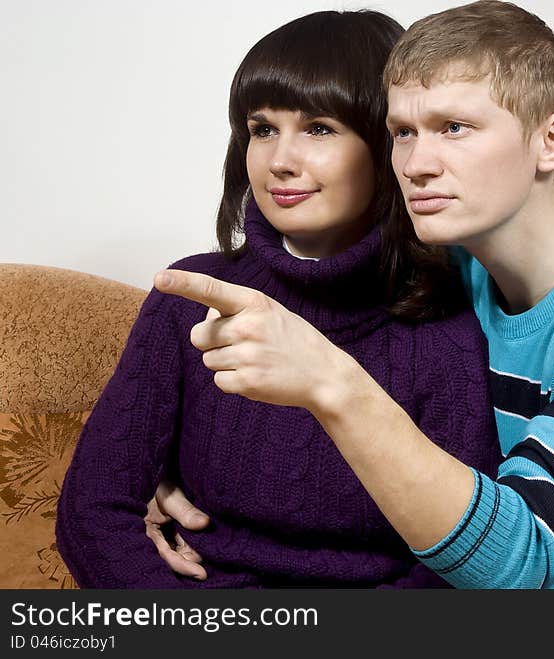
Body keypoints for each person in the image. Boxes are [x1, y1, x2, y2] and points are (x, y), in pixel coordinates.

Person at [154, 0, 554, 588]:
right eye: (402, 132)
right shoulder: (447, 273)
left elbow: (521, 561)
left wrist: (333, 383)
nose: (417, 163)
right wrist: (167, 471)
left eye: (454, 127)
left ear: (552, 141)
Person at [54, 9, 501, 588]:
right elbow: (92, 515)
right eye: (263, 129)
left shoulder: (445, 323)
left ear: (390, 145)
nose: (280, 160)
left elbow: (455, 565)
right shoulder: (190, 300)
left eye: (319, 128)